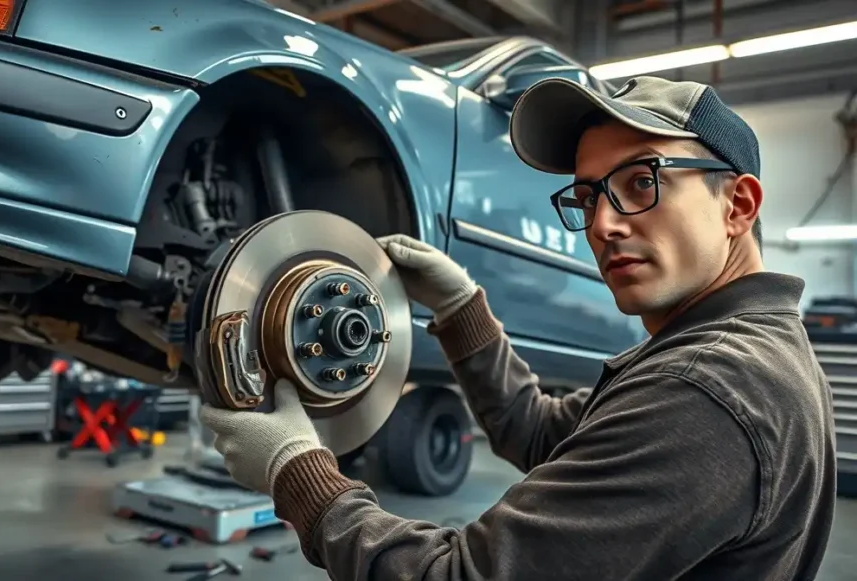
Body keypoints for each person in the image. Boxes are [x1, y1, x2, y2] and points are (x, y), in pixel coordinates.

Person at [200, 75, 837, 580]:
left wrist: (297, 474)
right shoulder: (736, 352)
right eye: (588, 198)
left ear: (739, 205)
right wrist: (461, 311)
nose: (603, 226)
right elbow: (539, 432)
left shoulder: (707, 390)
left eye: (641, 182)